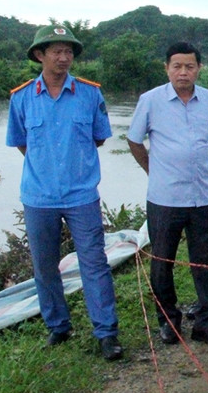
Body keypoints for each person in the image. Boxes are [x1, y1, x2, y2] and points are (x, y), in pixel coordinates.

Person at [6, 24, 123, 361]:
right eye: (56, 51)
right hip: (38, 197)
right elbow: (22, 143)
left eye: (68, 51)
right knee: (44, 266)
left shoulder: (90, 94)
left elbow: (99, 137)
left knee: (94, 263)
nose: (63, 57)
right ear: (40, 55)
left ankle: (106, 333)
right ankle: (58, 326)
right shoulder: (22, 97)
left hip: (82, 195)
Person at [128, 42, 208, 350]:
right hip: (164, 198)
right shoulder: (150, 101)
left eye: (189, 66)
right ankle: (168, 321)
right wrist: (153, 171)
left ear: (199, 68)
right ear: (167, 68)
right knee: (162, 262)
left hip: (204, 196)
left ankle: (207, 325)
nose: (183, 72)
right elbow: (134, 141)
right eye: (177, 66)